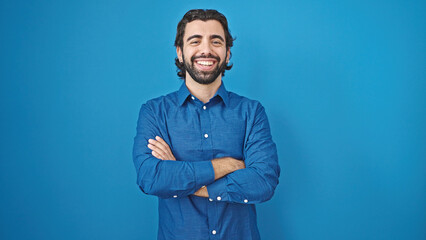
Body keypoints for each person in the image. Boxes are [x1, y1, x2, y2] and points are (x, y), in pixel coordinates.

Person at [133, 9, 280, 240]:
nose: (206, 50)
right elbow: (151, 179)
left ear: (228, 53)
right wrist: (228, 165)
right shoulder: (154, 112)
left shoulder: (252, 113)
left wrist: (182, 178)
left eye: (216, 41)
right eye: (195, 40)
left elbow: (263, 182)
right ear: (180, 52)